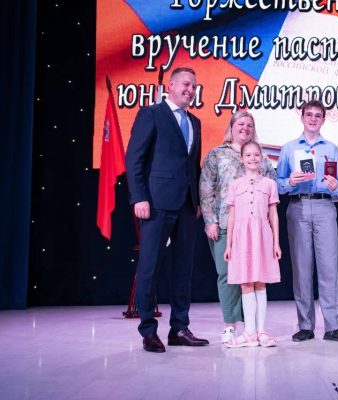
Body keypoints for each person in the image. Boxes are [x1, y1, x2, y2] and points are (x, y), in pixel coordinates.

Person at [125, 67, 208, 352]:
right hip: (157, 203)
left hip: (187, 206)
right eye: (185, 84)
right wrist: (139, 197)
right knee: (149, 267)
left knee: (184, 269)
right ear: (170, 85)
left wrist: (198, 201)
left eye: (194, 86)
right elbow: (134, 158)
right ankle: (148, 330)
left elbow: (193, 166)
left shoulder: (195, 122)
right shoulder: (151, 114)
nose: (190, 90)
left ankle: (179, 328)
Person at [276, 100, 338, 343]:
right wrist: (290, 182)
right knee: (301, 269)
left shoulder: (332, 149)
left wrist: (336, 186)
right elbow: (278, 184)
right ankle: (305, 326)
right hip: (297, 206)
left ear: (323, 119)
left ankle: (333, 327)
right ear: (301, 117)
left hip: (324, 207)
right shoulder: (288, 149)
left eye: (317, 115)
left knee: (329, 268)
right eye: (308, 114)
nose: (312, 118)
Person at [200, 111, 276, 343]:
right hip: (226, 223)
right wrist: (210, 220)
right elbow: (206, 188)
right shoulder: (216, 154)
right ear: (231, 127)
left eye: (249, 125)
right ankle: (230, 325)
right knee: (228, 275)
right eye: (240, 124)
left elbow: (272, 186)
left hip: (256, 228)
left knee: (254, 276)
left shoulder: (262, 157)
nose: (245, 128)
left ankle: (252, 328)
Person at [223, 141, 281, 348]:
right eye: (248, 155)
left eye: (256, 155)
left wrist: (276, 242)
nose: (252, 158)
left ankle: (261, 331)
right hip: (241, 237)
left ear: (262, 157)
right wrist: (229, 244)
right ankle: (249, 333)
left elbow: (273, 215)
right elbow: (231, 216)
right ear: (241, 158)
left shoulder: (269, 184)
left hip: (262, 235)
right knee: (246, 282)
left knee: (260, 281)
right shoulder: (235, 185)